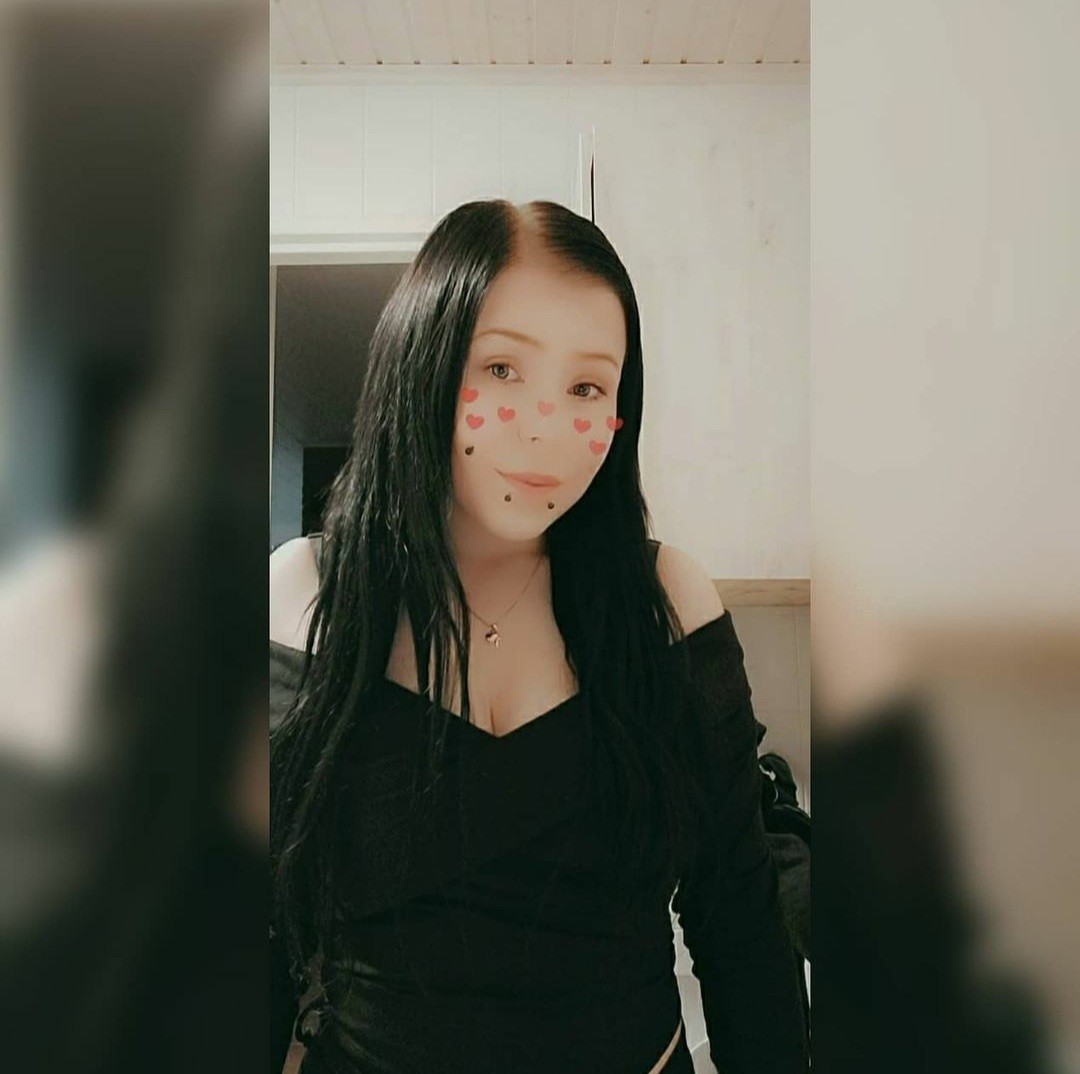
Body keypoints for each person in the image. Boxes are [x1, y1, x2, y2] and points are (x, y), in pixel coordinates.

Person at [269, 199, 809, 1074]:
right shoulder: (306, 597)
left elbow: (739, 921)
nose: (544, 426)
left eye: (587, 387)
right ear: (423, 365)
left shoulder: (666, 602)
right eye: (502, 369)